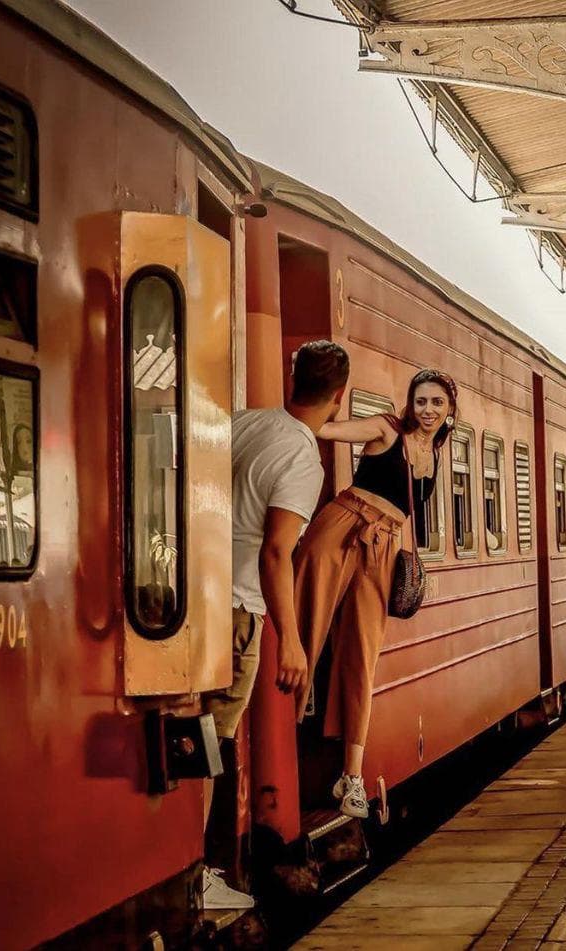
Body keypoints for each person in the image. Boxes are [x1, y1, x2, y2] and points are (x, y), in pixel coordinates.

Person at [202, 339, 350, 910]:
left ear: (294, 380)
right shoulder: (300, 459)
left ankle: (209, 867)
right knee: (220, 740)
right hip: (239, 610)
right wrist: (289, 639)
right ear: (338, 397)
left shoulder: (243, 423)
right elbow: (275, 552)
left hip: (197, 596)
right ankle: (212, 871)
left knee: (198, 738)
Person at [293, 369, 458, 819]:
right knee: (304, 630)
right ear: (410, 403)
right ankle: (281, 736)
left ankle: (351, 779)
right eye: (421, 401)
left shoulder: (434, 456)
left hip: (384, 546)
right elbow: (325, 429)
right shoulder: (385, 428)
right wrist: (312, 407)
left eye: (436, 403)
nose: (427, 409)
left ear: (449, 412)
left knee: (361, 655)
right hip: (343, 527)